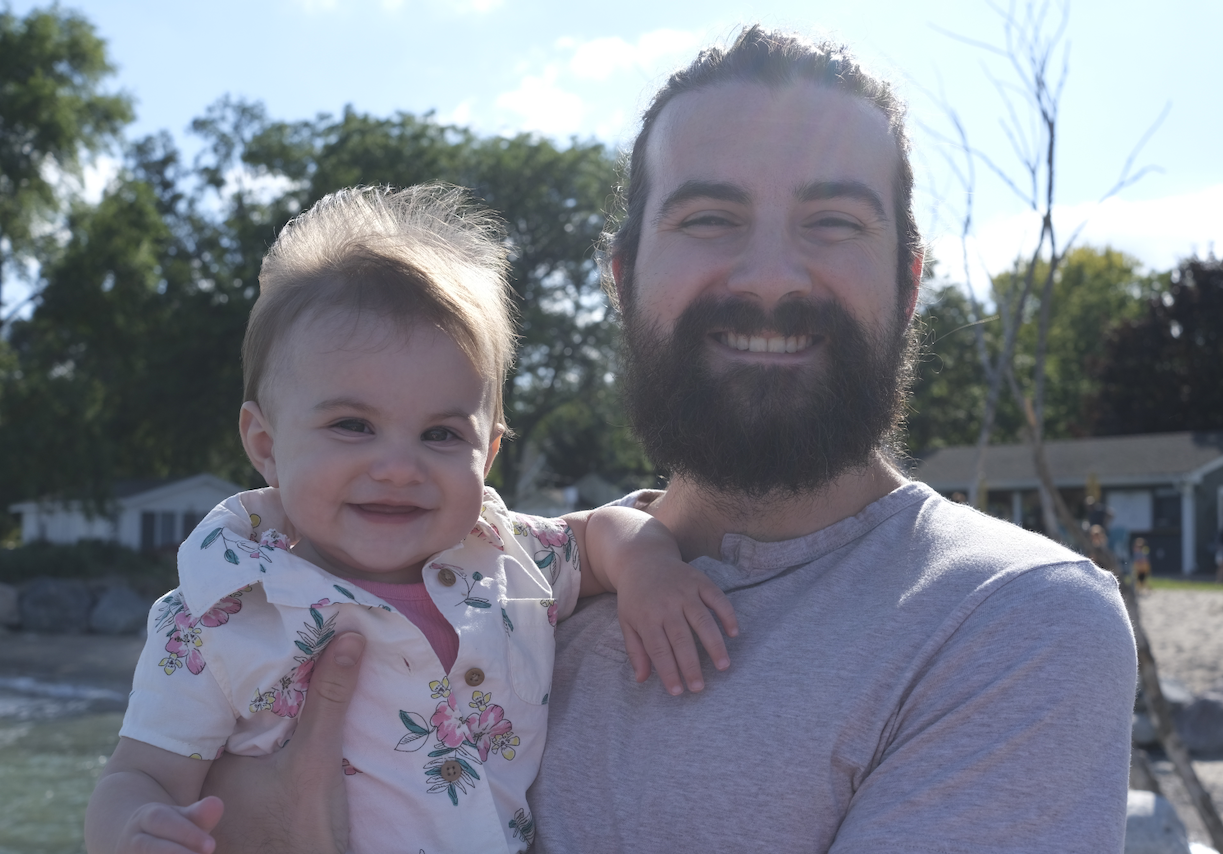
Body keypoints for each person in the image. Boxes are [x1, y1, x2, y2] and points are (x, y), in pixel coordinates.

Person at [200, 27, 1138, 853]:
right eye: (710, 219)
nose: (771, 276)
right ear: (622, 275)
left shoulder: (1011, 627)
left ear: (910, 280)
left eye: (833, 223)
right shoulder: (496, 575)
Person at [83, 185, 737, 854]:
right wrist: (134, 830)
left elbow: (600, 534)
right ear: (266, 444)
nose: (398, 466)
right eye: (352, 425)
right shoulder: (223, 612)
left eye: (442, 435)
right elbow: (141, 774)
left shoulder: (506, 555)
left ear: (490, 454)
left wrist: (649, 565)